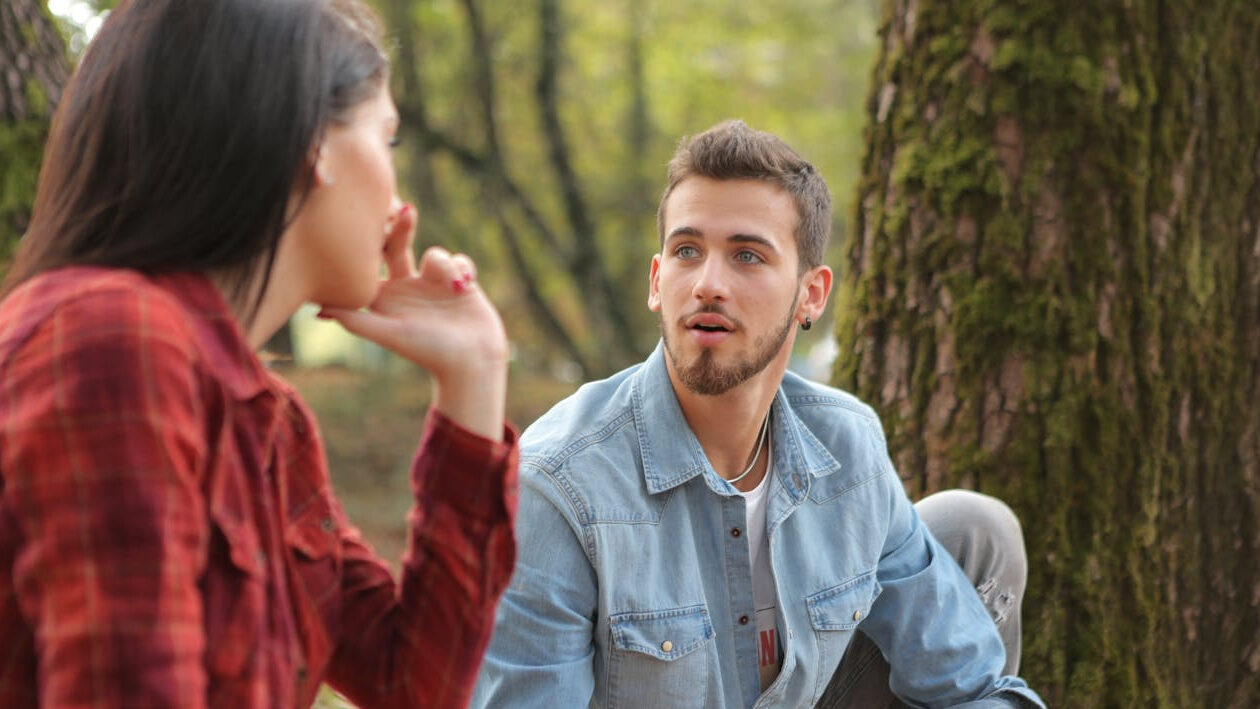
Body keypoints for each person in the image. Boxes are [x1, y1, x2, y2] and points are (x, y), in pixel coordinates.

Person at [0, 1, 517, 707]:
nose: (401, 209)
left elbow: (413, 683)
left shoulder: (270, 423)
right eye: (386, 140)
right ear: (312, 141)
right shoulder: (112, 340)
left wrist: (474, 374)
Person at [471, 120, 1045, 708]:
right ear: (656, 279)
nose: (708, 285)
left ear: (811, 295)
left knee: (974, 529)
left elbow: (975, 687)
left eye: (747, 256)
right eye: (687, 251)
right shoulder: (556, 485)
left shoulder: (847, 445)